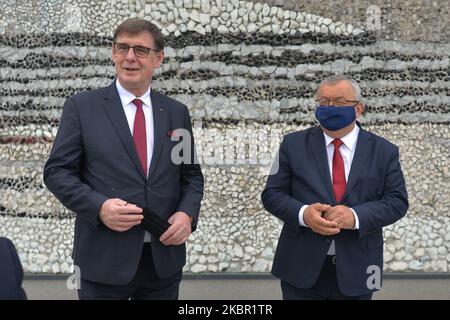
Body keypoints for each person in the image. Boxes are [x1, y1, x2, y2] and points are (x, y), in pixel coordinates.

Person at [43, 18, 204, 300]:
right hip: (102, 259)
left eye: (140, 50)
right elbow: (57, 172)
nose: (130, 57)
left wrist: (187, 214)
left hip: (162, 261)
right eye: (123, 48)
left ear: (159, 58)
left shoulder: (177, 113)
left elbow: (190, 175)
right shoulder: (82, 108)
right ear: (114, 53)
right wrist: (99, 206)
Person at [261, 74, 408, 300]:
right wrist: (304, 214)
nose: (330, 108)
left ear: (358, 108)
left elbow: (397, 201)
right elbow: (272, 194)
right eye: (324, 102)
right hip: (300, 267)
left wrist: (356, 216)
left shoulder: (384, 151)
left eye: (340, 102)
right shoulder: (292, 144)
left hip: (358, 268)